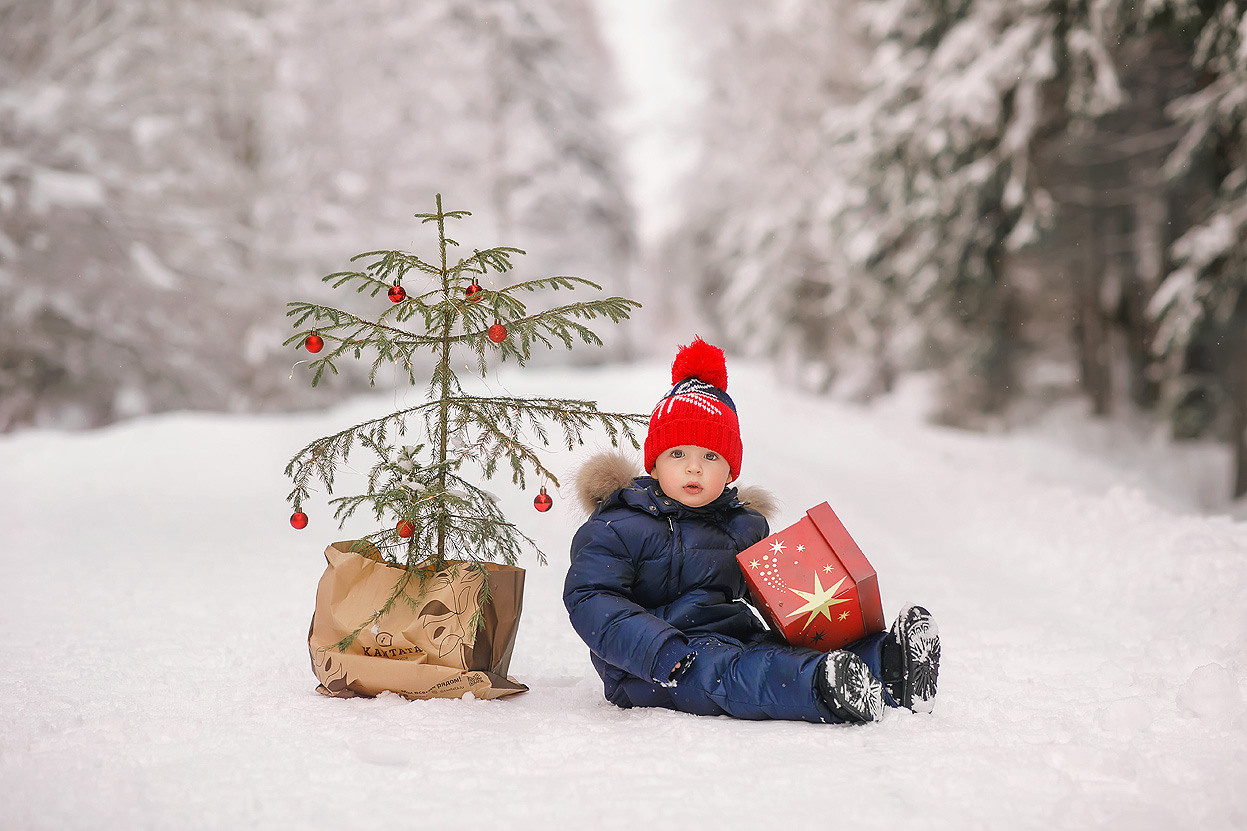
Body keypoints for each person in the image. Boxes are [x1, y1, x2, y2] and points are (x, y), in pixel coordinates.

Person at [563, 337, 941, 724]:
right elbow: (592, 597)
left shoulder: (742, 526)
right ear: (654, 465)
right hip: (654, 665)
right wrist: (657, 649)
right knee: (739, 673)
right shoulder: (619, 524)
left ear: (730, 471)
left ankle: (887, 665)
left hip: (734, 637)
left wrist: (822, 600)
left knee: (775, 650)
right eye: (678, 454)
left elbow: (778, 600)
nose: (694, 468)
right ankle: (822, 688)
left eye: (710, 457)